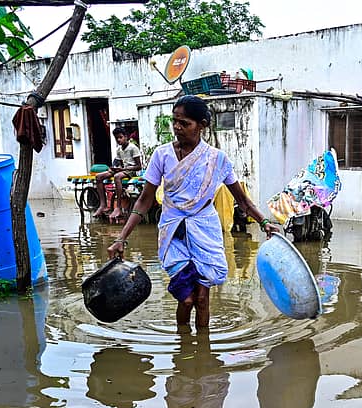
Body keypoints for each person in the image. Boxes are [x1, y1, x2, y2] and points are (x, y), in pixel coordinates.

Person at [107, 95, 282, 329]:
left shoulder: (217, 159)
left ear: (202, 125)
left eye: (185, 123)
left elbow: (242, 199)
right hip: (173, 230)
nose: (177, 128)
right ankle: (183, 345)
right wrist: (121, 238)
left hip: (204, 229)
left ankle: (200, 352)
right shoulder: (162, 155)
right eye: (175, 121)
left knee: (201, 298)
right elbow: (144, 200)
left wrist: (264, 223)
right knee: (186, 298)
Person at [93, 127, 142, 221]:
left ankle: (118, 207)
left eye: (120, 137)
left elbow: (139, 166)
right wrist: (112, 167)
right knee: (98, 176)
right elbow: (117, 161)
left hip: (131, 170)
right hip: (122, 169)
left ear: (126, 137)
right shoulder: (119, 149)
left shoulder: (133, 148)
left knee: (117, 177)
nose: (119, 140)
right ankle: (103, 205)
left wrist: (123, 168)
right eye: (117, 138)